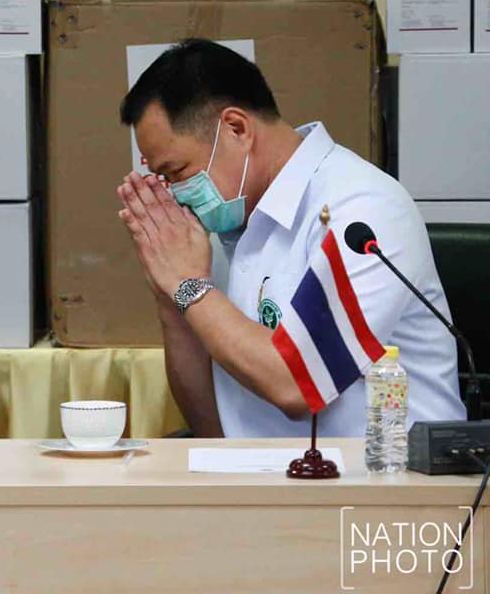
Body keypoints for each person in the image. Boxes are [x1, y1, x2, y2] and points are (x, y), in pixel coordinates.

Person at [116, 39, 464, 438]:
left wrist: (189, 286)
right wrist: (168, 296)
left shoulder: (361, 210)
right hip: (262, 474)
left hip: (385, 472)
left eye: (178, 172)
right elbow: (212, 428)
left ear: (237, 128)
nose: (178, 194)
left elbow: (298, 384)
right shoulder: (225, 224)